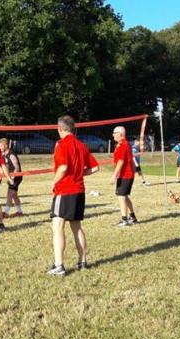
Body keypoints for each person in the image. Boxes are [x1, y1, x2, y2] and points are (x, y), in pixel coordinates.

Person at [48, 115, 99, 275]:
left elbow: (63, 167)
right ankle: (82, 261)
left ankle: (59, 265)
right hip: (79, 191)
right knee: (76, 227)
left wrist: (53, 183)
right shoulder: (82, 145)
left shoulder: (61, 144)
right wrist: (79, 173)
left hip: (64, 190)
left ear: (60, 129)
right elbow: (95, 168)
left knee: (57, 226)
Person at [111, 126, 137, 226]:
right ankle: (132, 217)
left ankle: (124, 219)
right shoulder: (123, 144)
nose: (113, 134)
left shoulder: (123, 145)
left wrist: (114, 175)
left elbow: (121, 161)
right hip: (127, 174)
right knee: (124, 196)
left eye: (114, 133)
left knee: (121, 196)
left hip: (125, 175)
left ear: (120, 134)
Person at [0, 137, 23, 218]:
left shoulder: (11, 155)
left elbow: (17, 168)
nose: (0, 148)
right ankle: (19, 212)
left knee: (10, 193)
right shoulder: (3, 155)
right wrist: (0, 177)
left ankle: (6, 212)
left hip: (17, 176)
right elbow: (2, 166)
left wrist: (12, 178)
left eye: (1, 146)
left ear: (6, 145)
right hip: (11, 176)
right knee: (14, 195)